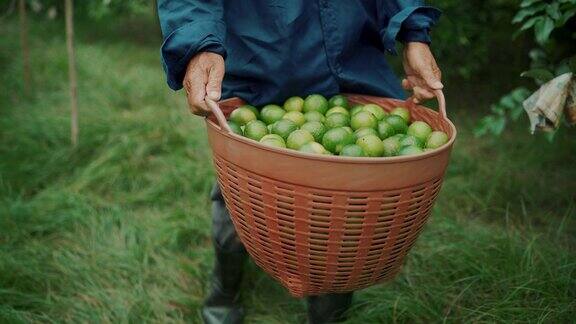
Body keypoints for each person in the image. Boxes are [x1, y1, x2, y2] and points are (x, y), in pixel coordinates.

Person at [157, 1, 442, 323]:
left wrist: (414, 31)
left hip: (349, 61)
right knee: (243, 192)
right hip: (260, 59)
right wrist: (199, 44)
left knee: (349, 209)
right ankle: (225, 287)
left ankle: (329, 311)